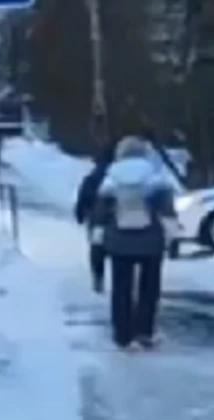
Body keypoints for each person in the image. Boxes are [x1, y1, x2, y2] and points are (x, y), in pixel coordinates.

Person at [92, 135, 179, 350]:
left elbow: (101, 213)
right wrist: (172, 234)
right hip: (151, 241)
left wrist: (98, 238)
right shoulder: (155, 177)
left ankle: (122, 334)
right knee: (149, 287)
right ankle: (145, 331)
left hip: (119, 241)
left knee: (121, 288)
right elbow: (166, 210)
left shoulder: (111, 179)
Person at [72, 145, 115, 293]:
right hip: (117, 217)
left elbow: (84, 196)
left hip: (96, 217)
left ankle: (98, 277)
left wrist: (80, 214)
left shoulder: (93, 177)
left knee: (97, 249)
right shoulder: (119, 176)